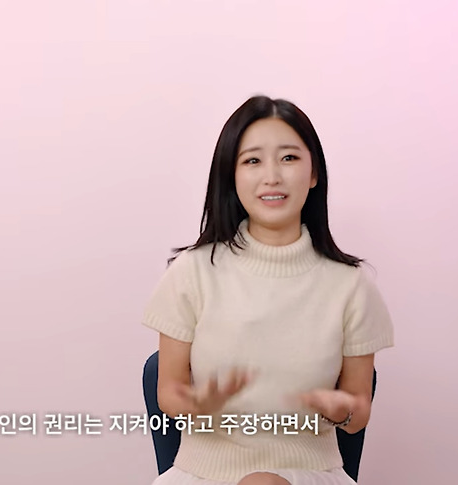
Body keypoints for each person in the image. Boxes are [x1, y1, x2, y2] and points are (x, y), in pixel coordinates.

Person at [141, 95, 395, 485]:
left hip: (311, 471)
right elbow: (169, 394)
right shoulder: (192, 272)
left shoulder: (351, 285)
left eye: (289, 158)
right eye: (252, 161)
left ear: (314, 173)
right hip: (203, 473)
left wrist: (340, 409)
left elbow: (358, 411)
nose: (272, 176)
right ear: (231, 175)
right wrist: (195, 405)